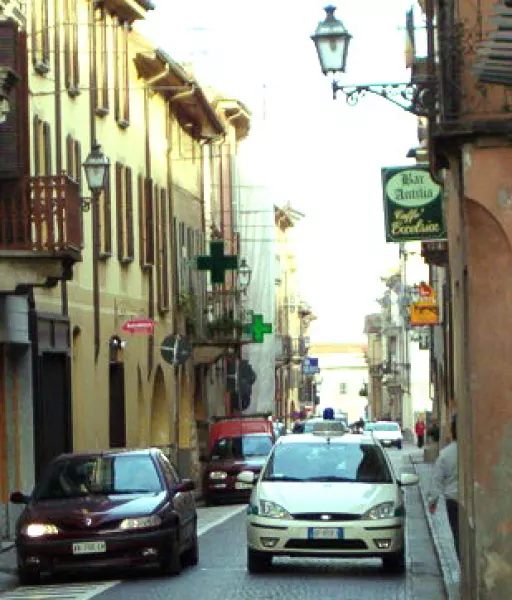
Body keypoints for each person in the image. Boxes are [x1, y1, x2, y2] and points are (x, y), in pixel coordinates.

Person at [428, 415, 459, 561]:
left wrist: (433, 501)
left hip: (453, 500)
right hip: (472, 499)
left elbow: (437, 479)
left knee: (457, 534)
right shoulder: (474, 450)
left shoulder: (446, 454)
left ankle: (461, 563)